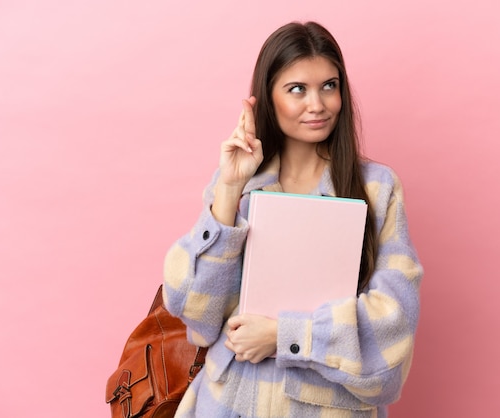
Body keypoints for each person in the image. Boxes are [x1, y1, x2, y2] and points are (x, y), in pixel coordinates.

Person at [163, 21, 423, 418]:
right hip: (227, 404)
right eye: (297, 89)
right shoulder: (240, 185)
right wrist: (230, 190)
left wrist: (285, 336)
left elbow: (392, 329)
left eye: (329, 86)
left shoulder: (376, 188)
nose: (317, 104)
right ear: (268, 97)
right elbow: (197, 318)